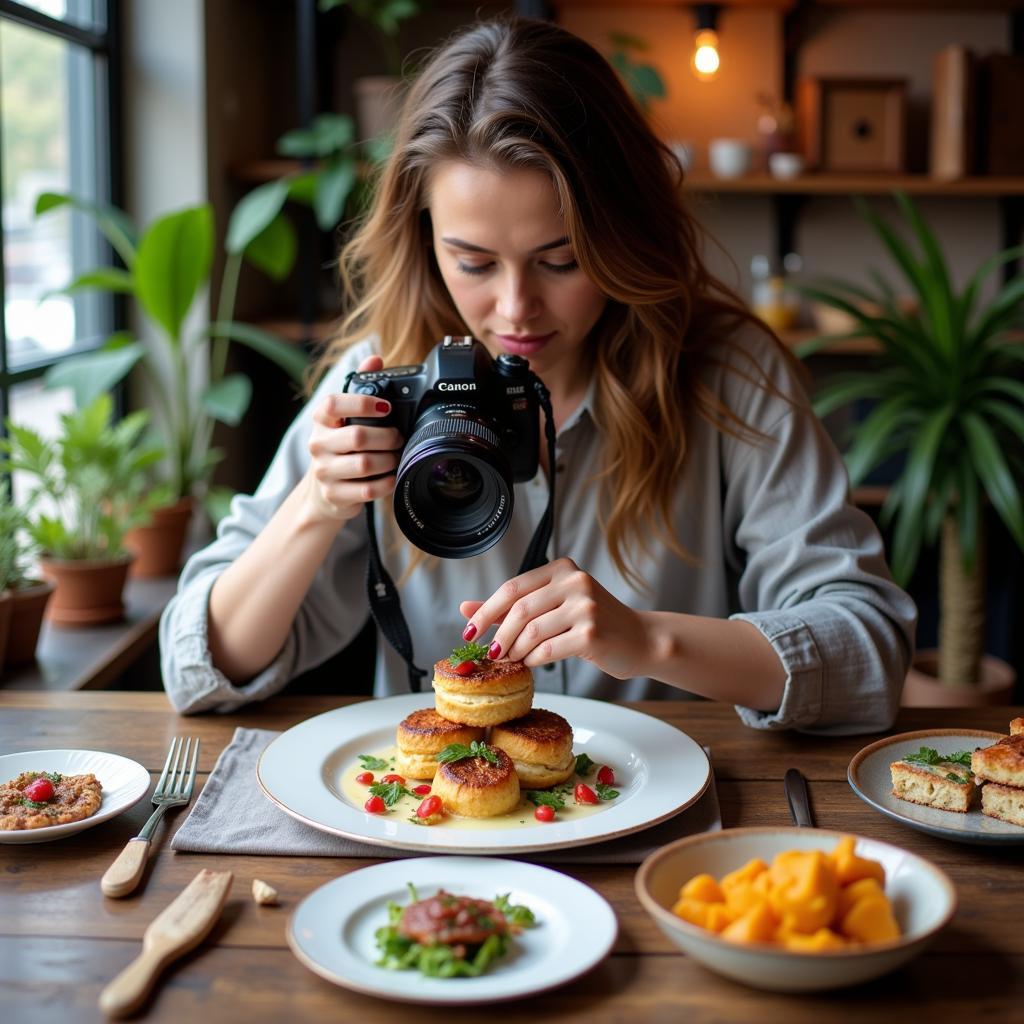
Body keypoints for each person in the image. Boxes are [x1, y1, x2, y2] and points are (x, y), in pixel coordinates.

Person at [160, 16, 916, 732]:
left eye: (562, 260)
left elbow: (870, 648)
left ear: (622, 235)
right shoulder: (385, 379)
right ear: (424, 241)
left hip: (667, 828)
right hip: (442, 822)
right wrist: (314, 508)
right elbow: (196, 672)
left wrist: (648, 641)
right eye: (474, 262)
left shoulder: (727, 376)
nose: (517, 308)